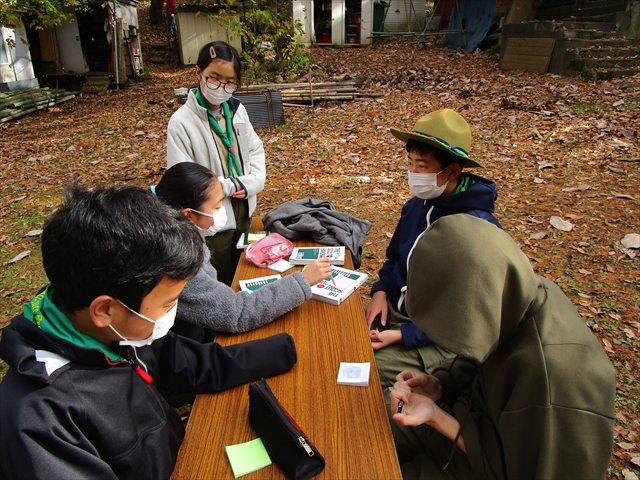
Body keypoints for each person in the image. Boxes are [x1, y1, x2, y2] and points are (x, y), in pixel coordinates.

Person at [0, 185, 297, 479]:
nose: (173, 311)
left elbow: (195, 364)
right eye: (169, 303)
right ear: (105, 310)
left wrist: (288, 349)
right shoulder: (39, 422)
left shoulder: (120, 332)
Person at [388, 214, 616, 480]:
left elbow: (517, 471)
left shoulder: (553, 378)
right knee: (358, 426)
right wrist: (440, 385)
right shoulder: (515, 293)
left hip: (476, 462)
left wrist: (437, 417)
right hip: (459, 421)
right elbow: (482, 350)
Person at [364, 108, 502, 389]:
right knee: (342, 340)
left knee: (361, 369)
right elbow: (394, 258)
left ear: (452, 170)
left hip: (439, 336)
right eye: (410, 163)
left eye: (422, 166)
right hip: (398, 311)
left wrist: (403, 334)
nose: (413, 173)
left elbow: (466, 315)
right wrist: (380, 292)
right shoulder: (417, 204)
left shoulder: (474, 229)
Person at [153, 162, 332, 342]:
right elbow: (236, 313)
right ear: (188, 215)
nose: (221, 211)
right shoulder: (174, 258)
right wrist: (302, 281)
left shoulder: (173, 228)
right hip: (183, 351)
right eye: (216, 207)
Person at [167, 41, 264, 286]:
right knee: (221, 281)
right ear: (198, 73)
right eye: (214, 78)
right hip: (213, 222)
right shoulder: (182, 123)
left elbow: (255, 150)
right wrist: (229, 186)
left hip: (245, 211)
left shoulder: (236, 111)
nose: (221, 87)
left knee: (248, 275)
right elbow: (184, 181)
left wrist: (254, 181)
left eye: (229, 82)